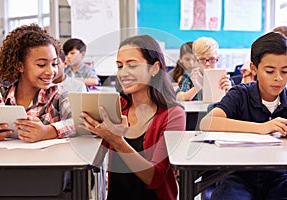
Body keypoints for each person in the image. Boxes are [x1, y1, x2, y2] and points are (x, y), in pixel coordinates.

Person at [79, 35, 186, 200]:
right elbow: (95, 162)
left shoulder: (173, 114)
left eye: (132, 65)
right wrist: (92, 131)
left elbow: (155, 177)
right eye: (120, 66)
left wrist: (117, 140)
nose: (123, 73)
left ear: (154, 68)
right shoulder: (118, 105)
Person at [200, 32, 287, 199]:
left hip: (280, 177)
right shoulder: (241, 94)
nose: (279, 78)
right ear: (254, 68)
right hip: (238, 175)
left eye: (285, 71)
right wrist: (261, 128)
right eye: (270, 71)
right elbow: (207, 123)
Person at [0, 23, 75, 142]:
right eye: (41, 65)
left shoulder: (59, 94)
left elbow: (77, 123)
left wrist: (48, 131)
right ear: (20, 66)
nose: (51, 71)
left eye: (54, 64)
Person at [176, 36, 232, 101]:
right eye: (202, 60)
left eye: (212, 59)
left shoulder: (223, 76)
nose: (207, 64)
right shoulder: (190, 76)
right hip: (196, 111)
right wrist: (197, 87)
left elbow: (237, 101)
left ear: (217, 59)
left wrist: (230, 91)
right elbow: (179, 97)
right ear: (195, 60)